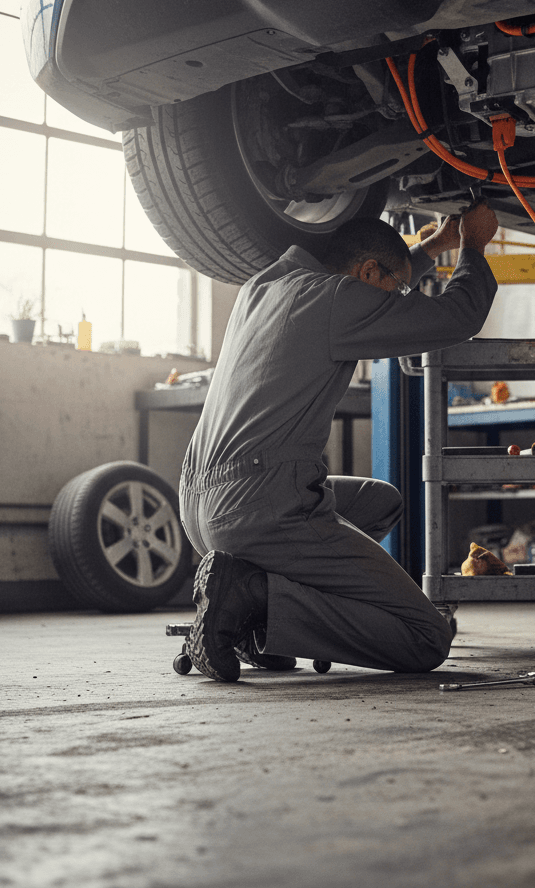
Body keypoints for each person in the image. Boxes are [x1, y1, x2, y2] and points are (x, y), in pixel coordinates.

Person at [180, 201, 499, 681]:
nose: (395, 301)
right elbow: (459, 316)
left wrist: (432, 247)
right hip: (261, 507)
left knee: (378, 501)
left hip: (198, 505)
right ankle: (255, 597)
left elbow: (374, 269)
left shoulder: (263, 285)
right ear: (367, 272)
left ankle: (251, 611)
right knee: (425, 638)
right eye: (394, 289)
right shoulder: (335, 299)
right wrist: (473, 245)